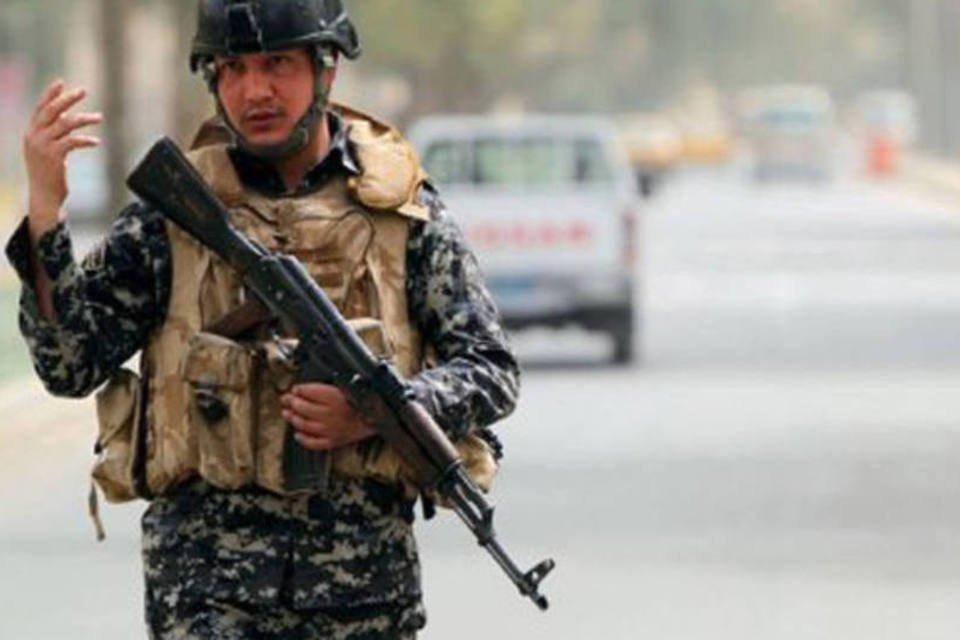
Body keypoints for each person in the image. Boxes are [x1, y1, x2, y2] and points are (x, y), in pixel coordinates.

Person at [8, 0, 519, 637]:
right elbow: (68, 365)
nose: (255, 91)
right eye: (233, 69)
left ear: (326, 69)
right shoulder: (171, 216)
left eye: (278, 63)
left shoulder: (401, 213)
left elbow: (491, 369)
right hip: (205, 596)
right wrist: (46, 214)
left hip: (361, 593)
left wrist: (379, 410)